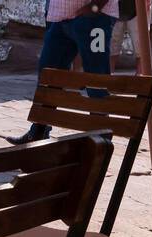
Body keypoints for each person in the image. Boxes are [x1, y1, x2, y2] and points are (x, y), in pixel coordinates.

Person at [8, 0, 120, 144]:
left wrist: (95, 6)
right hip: (61, 17)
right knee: (48, 74)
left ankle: (101, 138)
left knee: (96, 78)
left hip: (94, 18)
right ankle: (39, 130)